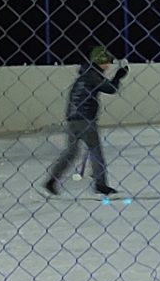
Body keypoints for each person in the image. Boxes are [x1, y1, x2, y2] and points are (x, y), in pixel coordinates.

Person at [45, 46, 129, 195]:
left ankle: (51, 180)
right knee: (95, 151)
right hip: (85, 119)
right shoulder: (92, 74)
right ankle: (101, 185)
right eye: (106, 62)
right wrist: (119, 75)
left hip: (73, 119)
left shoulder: (85, 74)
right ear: (99, 62)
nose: (108, 65)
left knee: (71, 152)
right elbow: (110, 88)